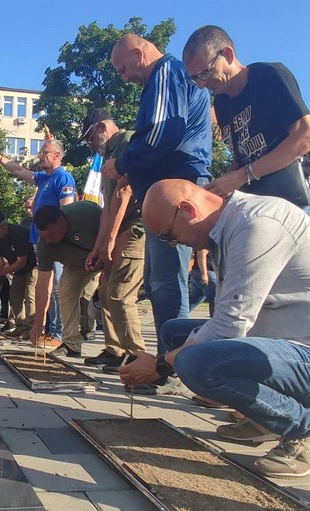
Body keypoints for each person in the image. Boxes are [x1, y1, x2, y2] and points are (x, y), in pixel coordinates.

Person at [121, 179, 310, 479]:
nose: (173, 244)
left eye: (169, 235)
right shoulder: (230, 225)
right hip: (287, 346)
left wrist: (162, 364)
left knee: (193, 362)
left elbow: (231, 324)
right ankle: (266, 419)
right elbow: (229, 319)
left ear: (187, 209)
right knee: (175, 332)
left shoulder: (257, 224)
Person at [102, 33, 212, 354]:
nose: (125, 79)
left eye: (124, 69)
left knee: (167, 283)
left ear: (139, 54)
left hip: (175, 190)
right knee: (159, 282)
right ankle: (172, 358)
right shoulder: (167, 79)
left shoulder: (165, 72)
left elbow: (162, 132)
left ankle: (174, 365)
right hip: (170, 188)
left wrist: (122, 163)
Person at [182, 25, 310, 205]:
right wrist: (218, 187)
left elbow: (306, 137)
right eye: (195, 78)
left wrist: (242, 176)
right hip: (261, 199)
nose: (201, 84)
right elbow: (243, 158)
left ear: (228, 55)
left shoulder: (269, 76)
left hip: (298, 194)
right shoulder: (221, 104)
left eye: (206, 73)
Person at [0, 135, 76, 344]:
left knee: (58, 290)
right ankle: (49, 331)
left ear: (57, 155)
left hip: (55, 243)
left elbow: (68, 212)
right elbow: (17, 170)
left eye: (44, 152)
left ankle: (59, 334)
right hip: (41, 242)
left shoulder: (63, 178)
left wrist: (59, 241)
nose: (40, 156)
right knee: (47, 290)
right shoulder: (44, 178)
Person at [78, 108, 148, 370]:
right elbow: (108, 207)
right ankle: (115, 349)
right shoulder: (108, 156)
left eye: (89, 138)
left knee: (120, 293)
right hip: (119, 226)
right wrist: (98, 247)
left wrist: (110, 240)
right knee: (105, 292)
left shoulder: (128, 142)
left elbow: (125, 192)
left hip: (136, 225)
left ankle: (139, 359)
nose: (89, 144)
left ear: (101, 129)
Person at [31, 203, 102, 357]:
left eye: (50, 235)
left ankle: (117, 350)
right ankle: (71, 344)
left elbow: (111, 231)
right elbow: (43, 286)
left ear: (61, 222)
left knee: (111, 294)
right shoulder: (44, 245)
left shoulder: (86, 214)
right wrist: (38, 324)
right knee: (65, 290)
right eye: (44, 236)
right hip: (77, 264)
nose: (47, 241)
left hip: (108, 251)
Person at [0, 211, 37, 339]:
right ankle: (20, 325)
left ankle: (32, 328)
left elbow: (21, 262)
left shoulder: (19, 233)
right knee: (14, 294)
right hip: (18, 269)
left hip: (33, 266)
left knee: (30, 294)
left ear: (5, 225)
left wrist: (1, 272)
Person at [188, 249, 216, 316]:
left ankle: (177, 315)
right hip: (205, 272)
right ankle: (215, 320)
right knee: (216, 296)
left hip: (198, 272)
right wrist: (204, 274)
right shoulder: (209, 239)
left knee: (195, 299)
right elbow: (201, 254)